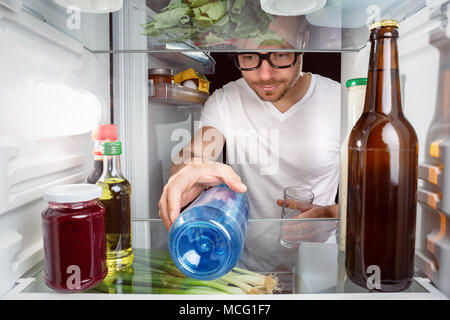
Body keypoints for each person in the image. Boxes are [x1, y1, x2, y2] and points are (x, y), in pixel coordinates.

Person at [158, 41, 340, 271]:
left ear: (303, 43)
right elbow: (195, 152)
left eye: (281, 54)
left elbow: (373, 197)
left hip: (319, 266)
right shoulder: (226, 99)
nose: (265, 75)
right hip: (243, 267)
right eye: (248, 57)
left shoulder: (339, 99)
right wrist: (191, 169)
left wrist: (330, 214)